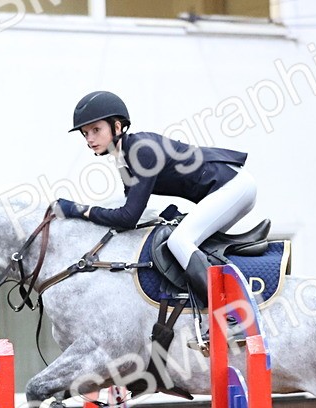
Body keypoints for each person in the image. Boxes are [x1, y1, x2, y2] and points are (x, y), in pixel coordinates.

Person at [55, 90, 256, 344]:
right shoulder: (123, 158)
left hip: (233, 186)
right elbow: (132, 213)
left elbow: (128, 217)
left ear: (117, 126)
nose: (89, 139)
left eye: (95, 130)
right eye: (85, 133)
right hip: (227, 188)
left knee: (180, 241)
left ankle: (231, 319)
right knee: (187, 241)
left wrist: (79, 210)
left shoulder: (140, 151)